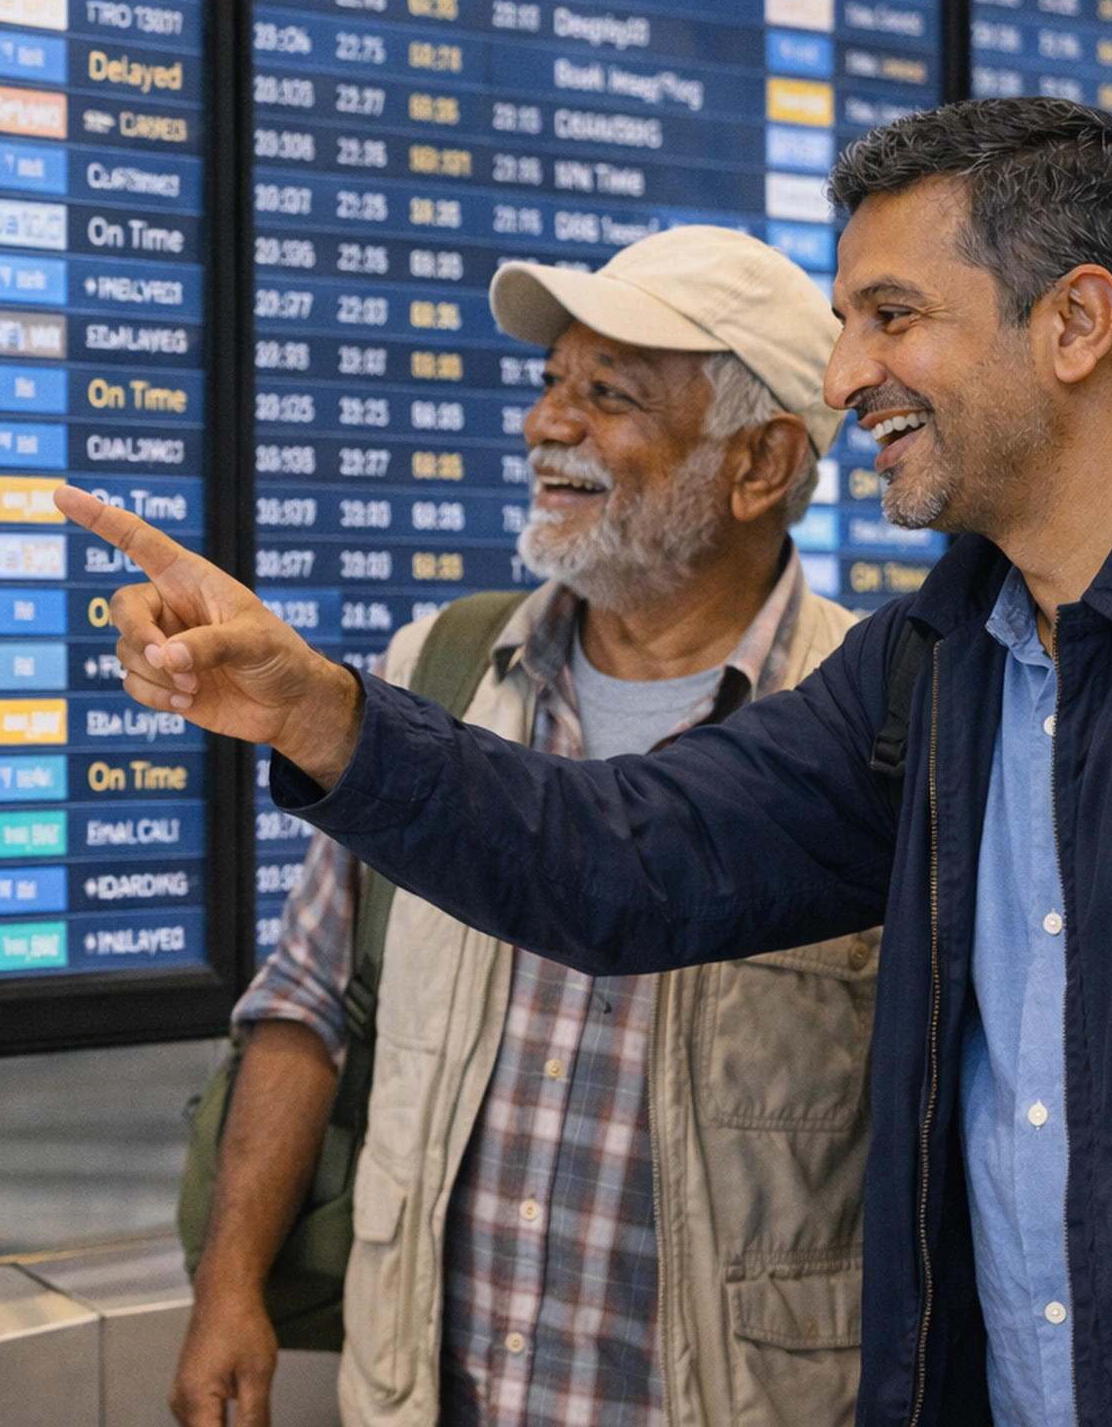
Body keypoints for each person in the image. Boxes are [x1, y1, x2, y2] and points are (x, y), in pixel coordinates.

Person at [60, 99, 1112, 1425]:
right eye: (842, 322)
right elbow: (627, 858)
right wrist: (319, 712)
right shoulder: (946, 658)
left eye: (892, 317)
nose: (843, 375)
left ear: (1077, 323)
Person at [173, 227, 876, 1427]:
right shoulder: (436, 678)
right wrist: (230, 1282)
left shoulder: (874, 726)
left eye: (610, 395)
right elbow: (307, 1001)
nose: (552, 425)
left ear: (760, 464)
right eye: (555, 384)